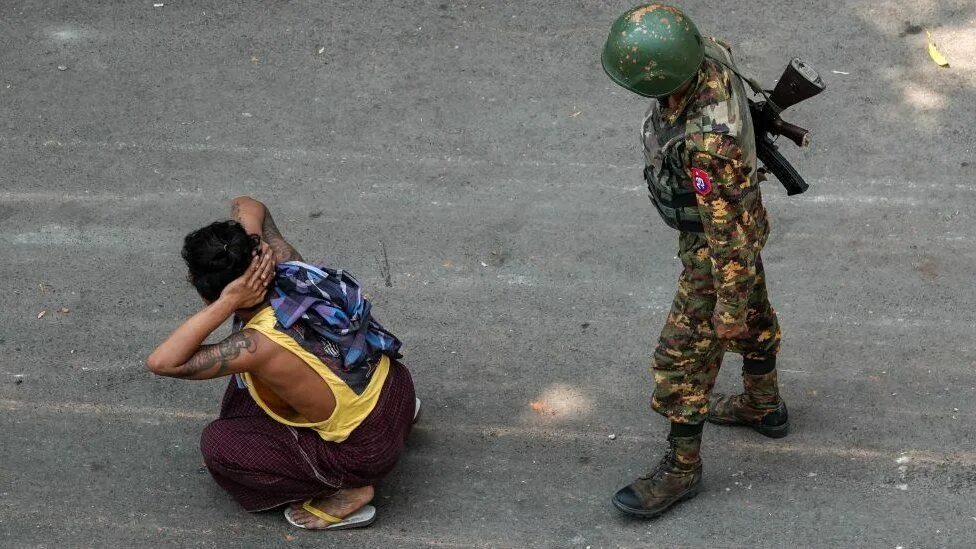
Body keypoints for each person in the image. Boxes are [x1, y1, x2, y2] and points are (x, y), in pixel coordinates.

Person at [601, 4, 789, 517]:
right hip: (737, 223)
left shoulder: (708, 147)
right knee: (752, 309)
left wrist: (726, 305)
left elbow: (726, 238)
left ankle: (681, 470)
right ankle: (762, 404)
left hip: (717, 246)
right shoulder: (705, 53)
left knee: (681, 358)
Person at [147, 196, 418, 531]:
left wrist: (227, 302)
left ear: (211, 295)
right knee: (246, 388)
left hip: (368, 452)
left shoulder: (257, 345)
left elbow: (163, 362)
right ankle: (394, 423)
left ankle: (350, 491)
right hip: (398, 391)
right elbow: (247, 203)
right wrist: (254, 244)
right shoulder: (289, 265)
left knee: (219, 444)